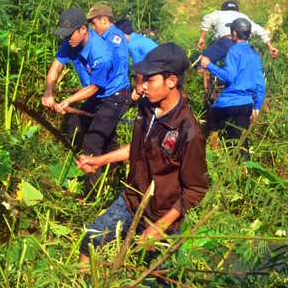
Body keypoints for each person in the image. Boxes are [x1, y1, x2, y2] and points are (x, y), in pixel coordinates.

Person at [76, 43, 208, 263]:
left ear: (172, 81)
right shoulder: (147, 108)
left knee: (159, 276)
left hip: (162, 213)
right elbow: (138, 147)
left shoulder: (189, 132)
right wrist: (99, 160)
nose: (142, 86)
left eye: (150, 80)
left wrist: (159, 227)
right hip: (131, 199)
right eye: (141, 79)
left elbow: (195, 190)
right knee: (90, 239)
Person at [41, 8, 129, 198]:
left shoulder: (101, 54)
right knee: (76, 125)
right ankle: (116, 176)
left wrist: (66, 101)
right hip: (97, 95)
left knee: (92, 142)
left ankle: (91, 197)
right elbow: (56, 66)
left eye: (69, 34)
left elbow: (94, 88)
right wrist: (48, 92)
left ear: (83, 29)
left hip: (114, 96)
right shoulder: (70, 43)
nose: (67, 39)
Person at [200, 18, 266, 161]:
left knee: (212, 123)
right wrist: (257, 106)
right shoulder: (255, 55)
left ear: (234, 33)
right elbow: (260, 84)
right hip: (246, 105)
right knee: (242, 140)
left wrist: (209, 64)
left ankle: (212, 155)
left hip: (228, 104)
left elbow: (229, 76)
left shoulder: (233, 51)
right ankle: (245, 169)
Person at [197, 0, 276, 99]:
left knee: (202, 61)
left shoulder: (218, 14)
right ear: (237, 10)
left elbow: (207, 19)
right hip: (242, 46)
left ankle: (207, 93)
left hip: (224, 43)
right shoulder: (243, 17)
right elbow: (260, 30)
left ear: (223, 9)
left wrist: (202, 37)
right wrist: (270, 46)